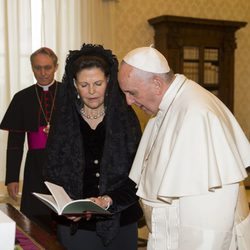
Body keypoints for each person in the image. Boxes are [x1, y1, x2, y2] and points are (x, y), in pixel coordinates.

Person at [118, 46, 250, 250]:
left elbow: (209, 225)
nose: (128, 101)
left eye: (132, 93)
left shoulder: (197, 115)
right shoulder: (169, 106)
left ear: (156, 83)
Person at [43, 44, 143, 250]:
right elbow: (52, 171)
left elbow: (139, 172)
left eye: (97, 83)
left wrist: (109, 200)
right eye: (84, 84)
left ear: (108, 81)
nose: (91, 91)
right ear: (73, 84)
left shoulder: (126, 118)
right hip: (77, 227)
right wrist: (66, 205)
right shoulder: (63, 121)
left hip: (122, 221)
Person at [0, 47, 60, 232]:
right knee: (36, 222)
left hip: (65, 164)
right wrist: (11, 178)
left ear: (56, 67)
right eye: (37, 68)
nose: (42, 73)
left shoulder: (69, 93)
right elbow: (15, 143)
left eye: (47, 68)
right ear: (32, 68)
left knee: (65, 219)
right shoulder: (22, 98)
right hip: (35, 167)